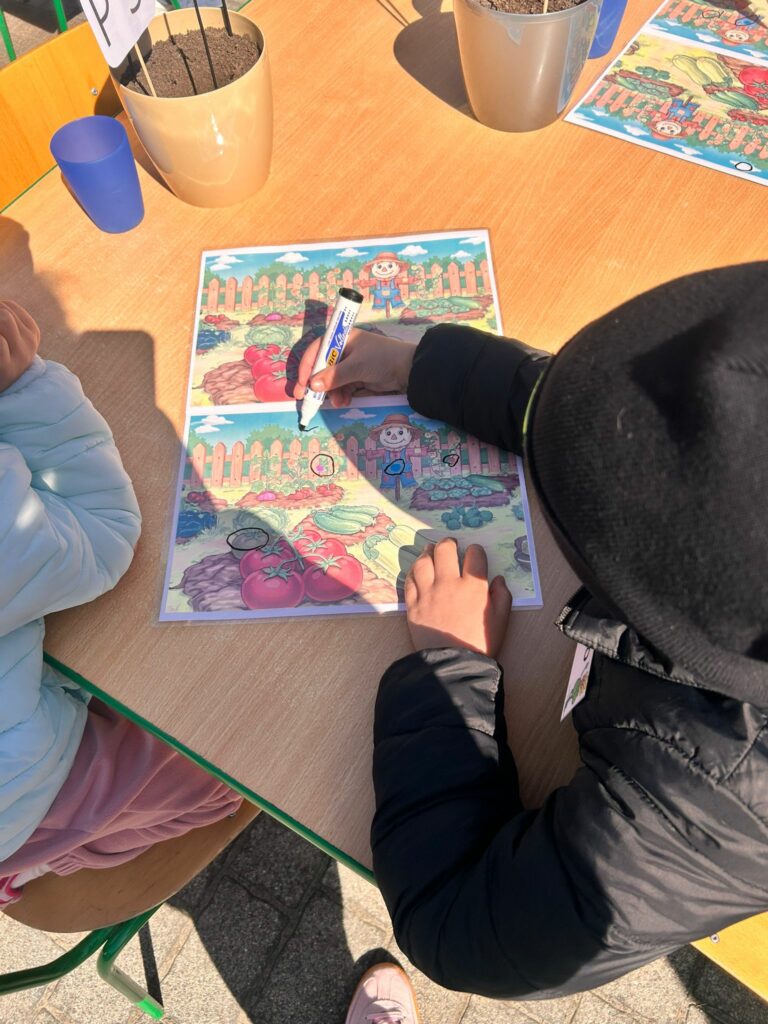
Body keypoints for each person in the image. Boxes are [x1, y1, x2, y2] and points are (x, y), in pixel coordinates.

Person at [296, 263, 768, 998]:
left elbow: (455, 926)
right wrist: (423, 366)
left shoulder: (719, 801)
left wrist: (450, 672)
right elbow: (617, 423)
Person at [0, 299, 241, 905]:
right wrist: (23, 389)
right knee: (219, 780)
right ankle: (47, 859)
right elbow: (104, 536)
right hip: (23, 785)